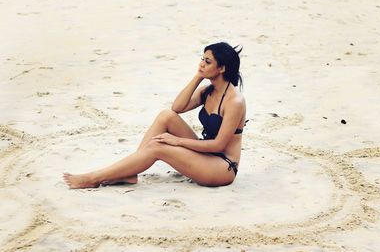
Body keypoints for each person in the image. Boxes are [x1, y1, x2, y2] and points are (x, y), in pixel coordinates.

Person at [63, 42, 246, 188]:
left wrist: (177, 141)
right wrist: (198, 76)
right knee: (166, 115)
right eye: (202, 59)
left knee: (157, 147)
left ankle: (94, 178)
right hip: (205, 153)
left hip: (222, 166)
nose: (201, 64)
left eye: (207, 62)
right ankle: (129, 172)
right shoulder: (208, 90)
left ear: (221, 68)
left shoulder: (234, 102)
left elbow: (218, 144)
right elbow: (177, 107)